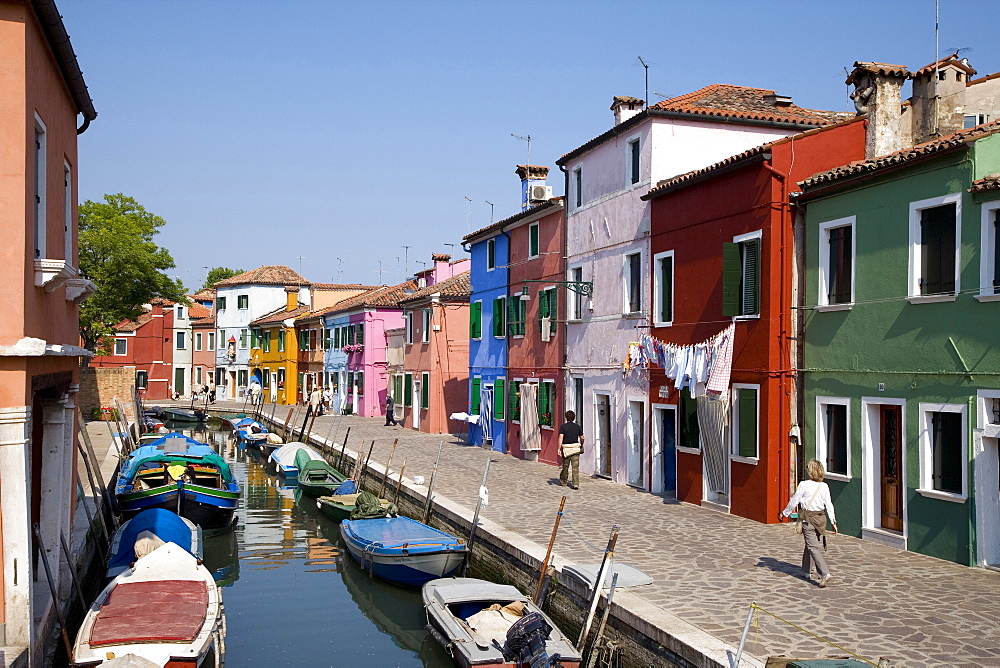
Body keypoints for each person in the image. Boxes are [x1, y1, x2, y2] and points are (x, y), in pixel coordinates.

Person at [780, 459, 839, 587]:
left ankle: (824, 573)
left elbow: (794, 500)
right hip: (821, 519)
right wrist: (833, 521)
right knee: (810, 543)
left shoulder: (804, 484)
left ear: (810, 471)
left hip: (809, 519)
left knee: (812, 546)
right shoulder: (824, 486)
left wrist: (784, 513)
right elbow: (829, 505)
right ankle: (806, 570)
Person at [557, 410, 585, 489]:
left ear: (566, 418)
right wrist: (581, 444)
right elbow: (582, 438)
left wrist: (559, 449)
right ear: (574, 418)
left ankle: (563, 481)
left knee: (565, 466)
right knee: (575, 467)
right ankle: (575, 483)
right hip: (575, 449)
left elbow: (560, 438)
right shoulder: (577, 427)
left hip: (566, 449)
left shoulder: (563, 427)